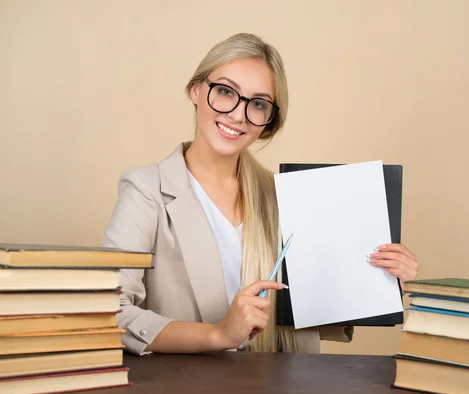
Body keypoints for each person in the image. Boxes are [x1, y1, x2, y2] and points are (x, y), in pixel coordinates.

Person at [102, 33, 419, 356]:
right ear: (195, 90)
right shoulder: (145, 190)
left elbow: (306, 308)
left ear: (268, 120)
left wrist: (378, 279)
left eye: (257, 103)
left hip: (278, 385)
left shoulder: (291, 197)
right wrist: (217, 335)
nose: (238, 115)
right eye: (225, 91)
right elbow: (108, 310)